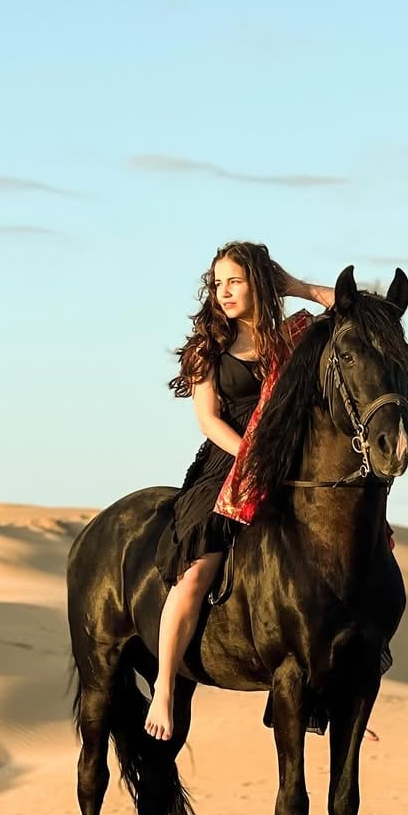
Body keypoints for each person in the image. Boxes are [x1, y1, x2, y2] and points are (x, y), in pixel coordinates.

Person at [145, 241, 334, 740]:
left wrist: (295, 286)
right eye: (217, 283)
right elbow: (208, 421)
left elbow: (354, 308)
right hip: (227, 467)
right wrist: (253, 458)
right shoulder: (207, 349)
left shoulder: (292, 338)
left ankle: (316, 688)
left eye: (235, 281)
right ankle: (164, 686)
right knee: (197, 571)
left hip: (292, 466)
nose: (223, 292)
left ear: (259, 283)